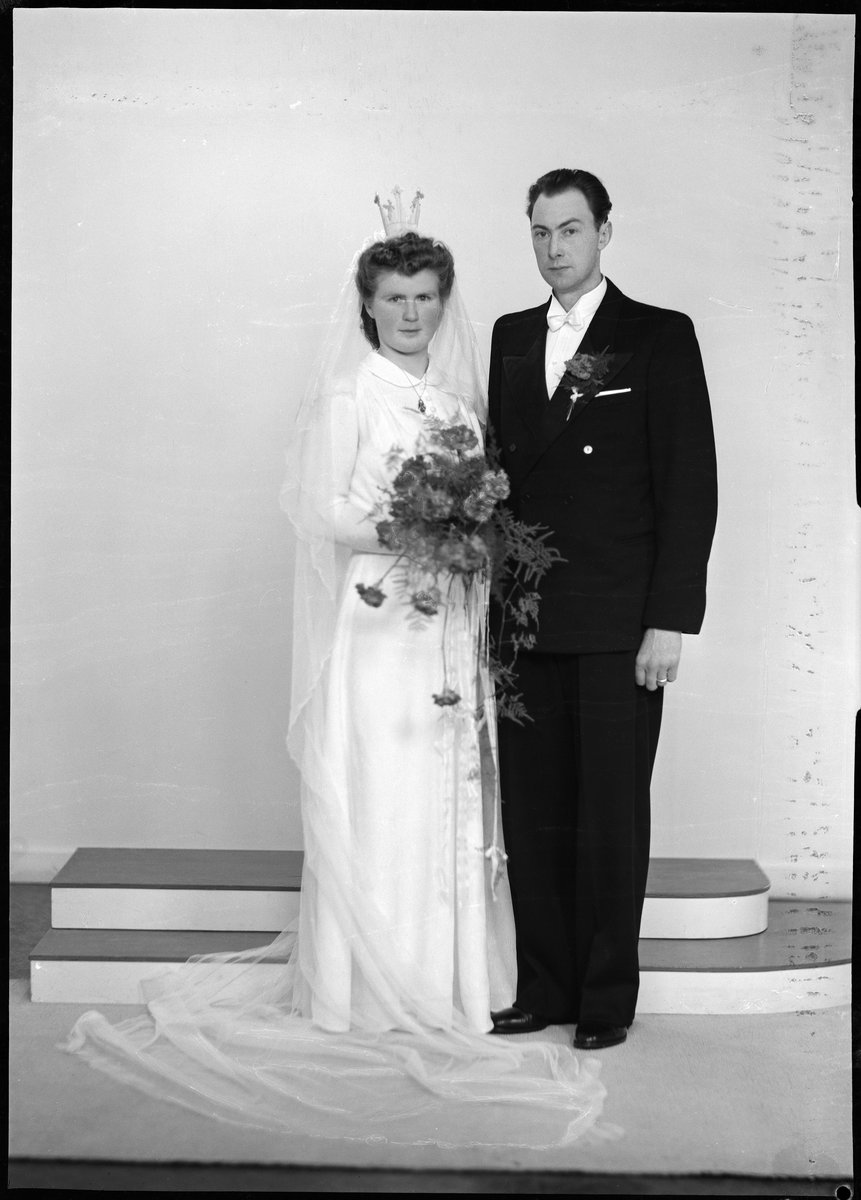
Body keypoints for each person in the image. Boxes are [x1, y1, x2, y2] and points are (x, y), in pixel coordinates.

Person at [62, 195, 609, 1147]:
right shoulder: (350, 394)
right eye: (394, 296)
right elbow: (319, 510)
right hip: (379, 620)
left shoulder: (455, 403)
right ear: (367, 304)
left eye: (425, 295)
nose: (411, 312)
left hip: (445, 625)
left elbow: (491, 504)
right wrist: (419, 527)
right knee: (384, 785)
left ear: (443, 302)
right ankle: (369, 987)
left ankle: (448, 983)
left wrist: (471, 534)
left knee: (446, 791)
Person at [487, 168, 718, 1052]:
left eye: (570, 230)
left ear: (604, 232)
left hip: (618, 620)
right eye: (540, 232)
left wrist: (670, 620)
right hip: (524, 618)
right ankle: (541, 987)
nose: (554, 249)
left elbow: (688, 486)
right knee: (534, 812)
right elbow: (500, 481)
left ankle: (604, 997)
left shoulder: (656, 334)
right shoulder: (510, 337)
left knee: (608, 815)